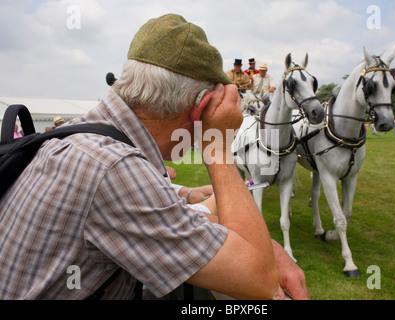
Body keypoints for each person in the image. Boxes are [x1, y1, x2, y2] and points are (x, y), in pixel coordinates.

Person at [0, 14, 308, 300]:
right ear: (200, 108)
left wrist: (265, 245)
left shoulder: (84, 134)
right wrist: (216, 145)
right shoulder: (114, 169)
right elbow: (261, 281)